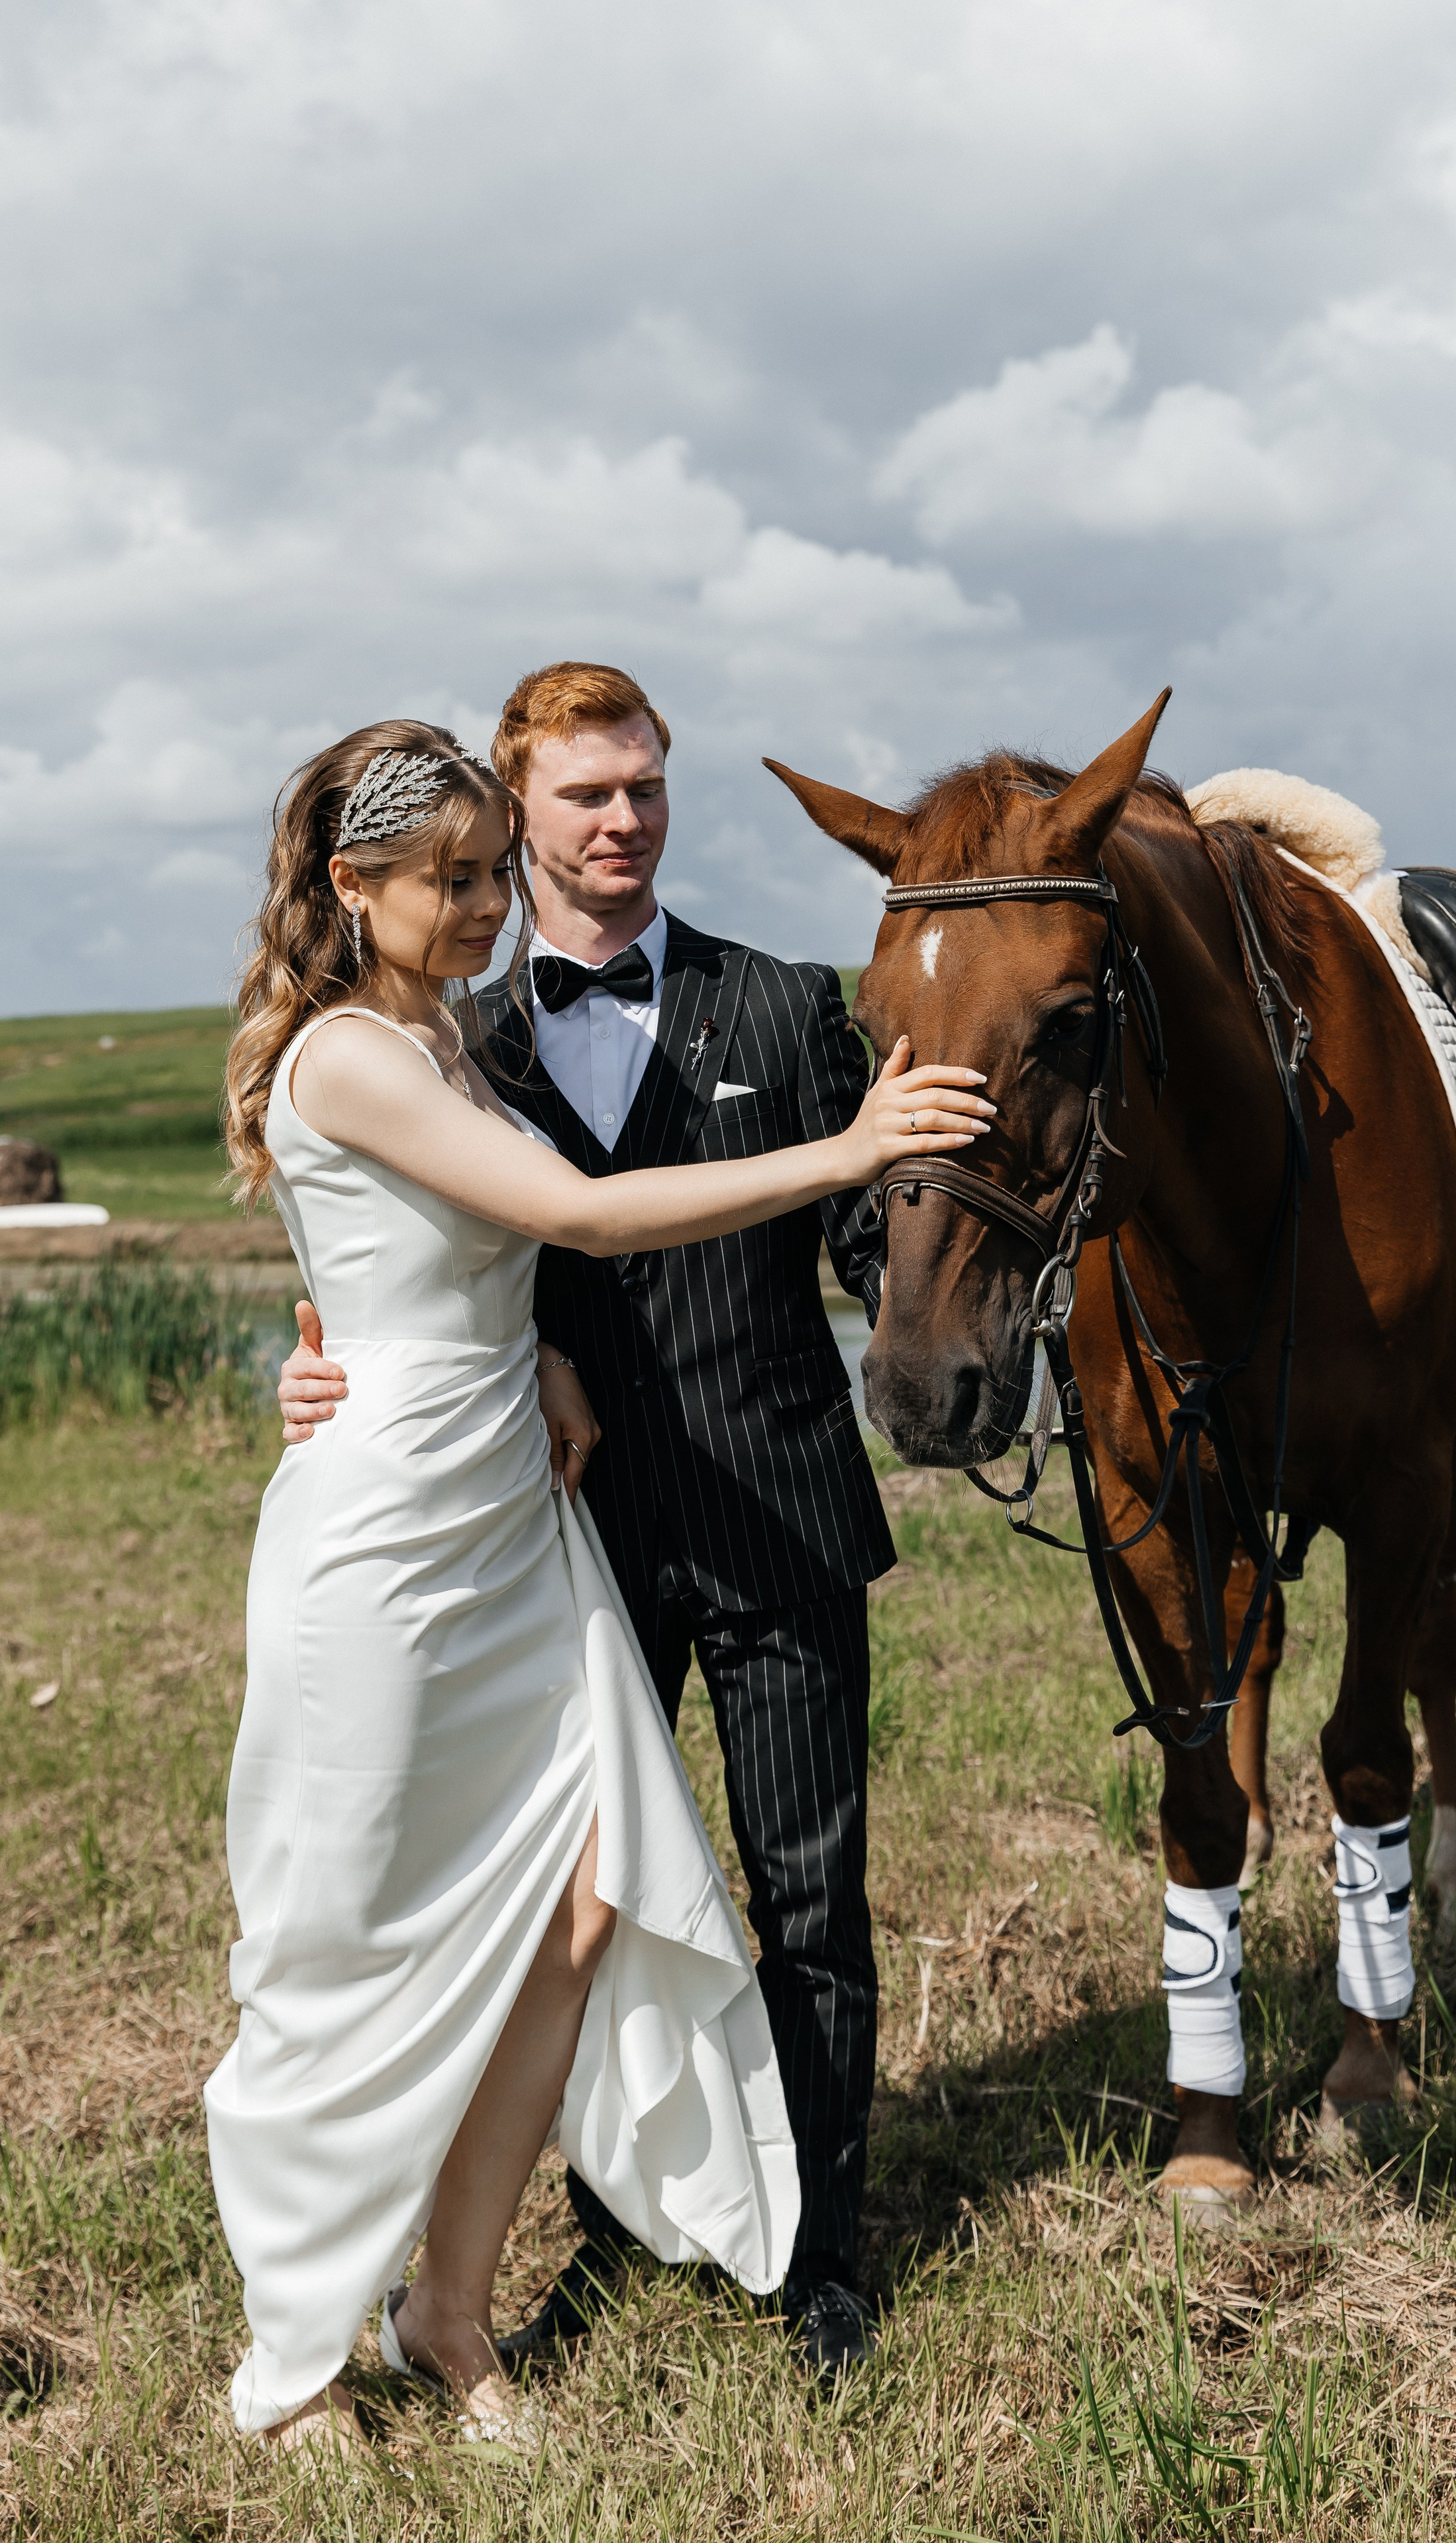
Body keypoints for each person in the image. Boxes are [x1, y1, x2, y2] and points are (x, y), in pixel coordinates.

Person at [214, 718, 990, 2451]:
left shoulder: (439, 1029)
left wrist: (538, 1361)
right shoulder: (352, 1054)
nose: (492, 907)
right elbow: (577, 1214)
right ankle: (296, 2355)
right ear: (354, 884)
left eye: (498, 873)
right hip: (390, 1543)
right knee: (351, 1934)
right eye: (457, 879)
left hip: (513, 1518)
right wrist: (852, 1149)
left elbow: (459, 1268)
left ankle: (448, 2314)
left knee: (581, 1912)